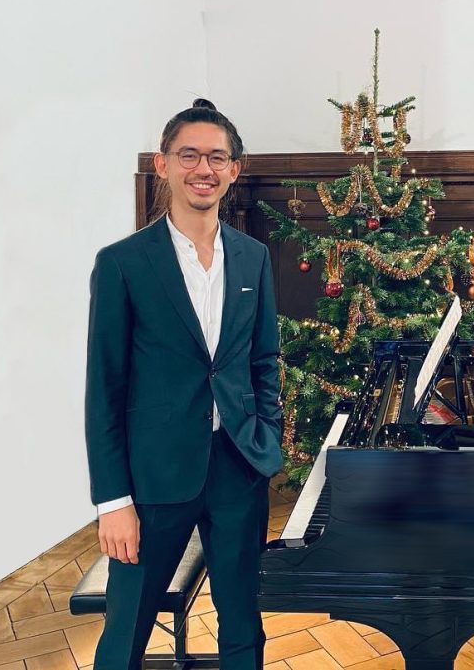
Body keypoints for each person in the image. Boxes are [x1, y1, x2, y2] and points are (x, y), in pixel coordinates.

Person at [85, 99, 283, 670]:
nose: (204, 168)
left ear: (234, 170)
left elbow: (263, 360)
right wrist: (113, 501)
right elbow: (105, 388)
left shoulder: (253, 258)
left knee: (242, 623)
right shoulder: (122, 263)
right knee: (127, 632)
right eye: (189, 154)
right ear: (163, 163)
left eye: (217, 157)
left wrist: (263, 438)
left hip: (237, 469)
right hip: (151, 482)